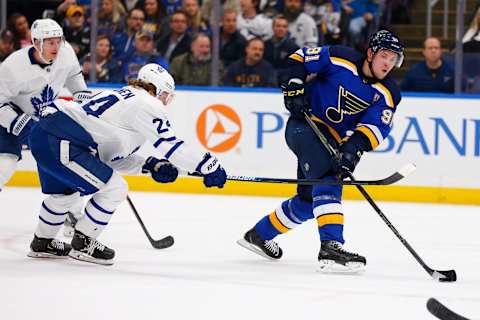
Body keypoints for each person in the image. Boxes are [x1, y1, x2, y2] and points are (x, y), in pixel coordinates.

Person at [237, 30, 403, 273]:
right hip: (304, 126)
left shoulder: (389, 93)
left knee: (306, 201)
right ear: (370, 53)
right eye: (384, 56)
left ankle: (259, 235)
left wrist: (352, 150)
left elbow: (374, 127)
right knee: (329, 179)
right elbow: (299, 58)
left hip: (332, 140)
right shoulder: (340, 57)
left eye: (394, 58)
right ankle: (331, 247)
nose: (388, 63)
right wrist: (295, 85)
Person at [27, 64, 227, 265]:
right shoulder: (147, 103)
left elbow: (107, 158)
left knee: (65, 194)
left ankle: (42, 242)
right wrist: (209, 166)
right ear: (154, 89)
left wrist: (150, 165)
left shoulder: (125, 97)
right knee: (115, 189)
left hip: (47, 134)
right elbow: (172, 147)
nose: (166, 101)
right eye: (166, 94)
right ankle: (84, 242)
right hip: (62, 141)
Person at [0, 19, 91, 234]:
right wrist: (20, 124)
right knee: (4, 165)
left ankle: (71, 213)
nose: (56, 47)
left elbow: (76, 82)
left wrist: (87, 108)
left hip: (44, 117)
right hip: (9, 118)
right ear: (36, 42)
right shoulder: (13, 67)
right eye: (49, 42)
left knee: (67, 160)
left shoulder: (66, 52)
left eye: (58, 41)